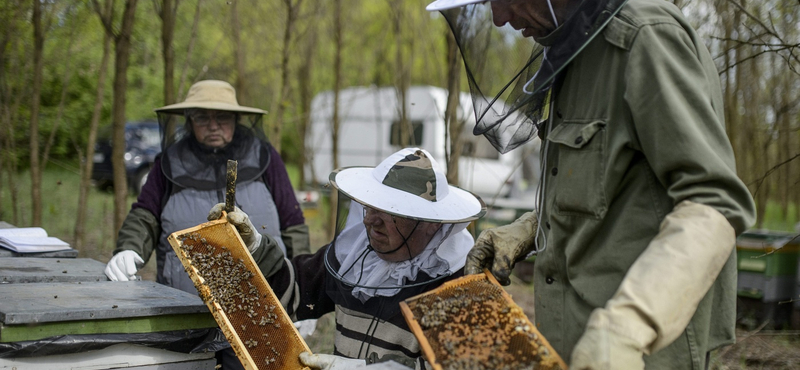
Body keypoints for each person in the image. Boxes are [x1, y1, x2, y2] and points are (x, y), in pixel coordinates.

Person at [425, 0, 757, 369]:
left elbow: (714, 202)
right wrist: (529, 228)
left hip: (643, 354)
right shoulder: (578, 46)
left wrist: (628, 328)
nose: (499, 18)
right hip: (573, 338)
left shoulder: (644, 36)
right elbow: (613, 184)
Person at [208, 147, 486, 370]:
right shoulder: (354, 255)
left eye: (391, 212)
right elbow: (291, 295)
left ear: (432, 223)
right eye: (369, 207)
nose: (371, 221)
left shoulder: (461, 284)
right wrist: (253, 245)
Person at [103, 80, 312, 369]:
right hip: (188, 312)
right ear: (189, 121)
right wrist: (128, 248)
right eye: (202, 117)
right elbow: (145, 215)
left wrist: (303, 299)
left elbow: (293, 224)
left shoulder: (266, 158)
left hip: (259, 312)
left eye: (222, 117)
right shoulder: (169, 162)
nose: (213, 125)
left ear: (237, 120)